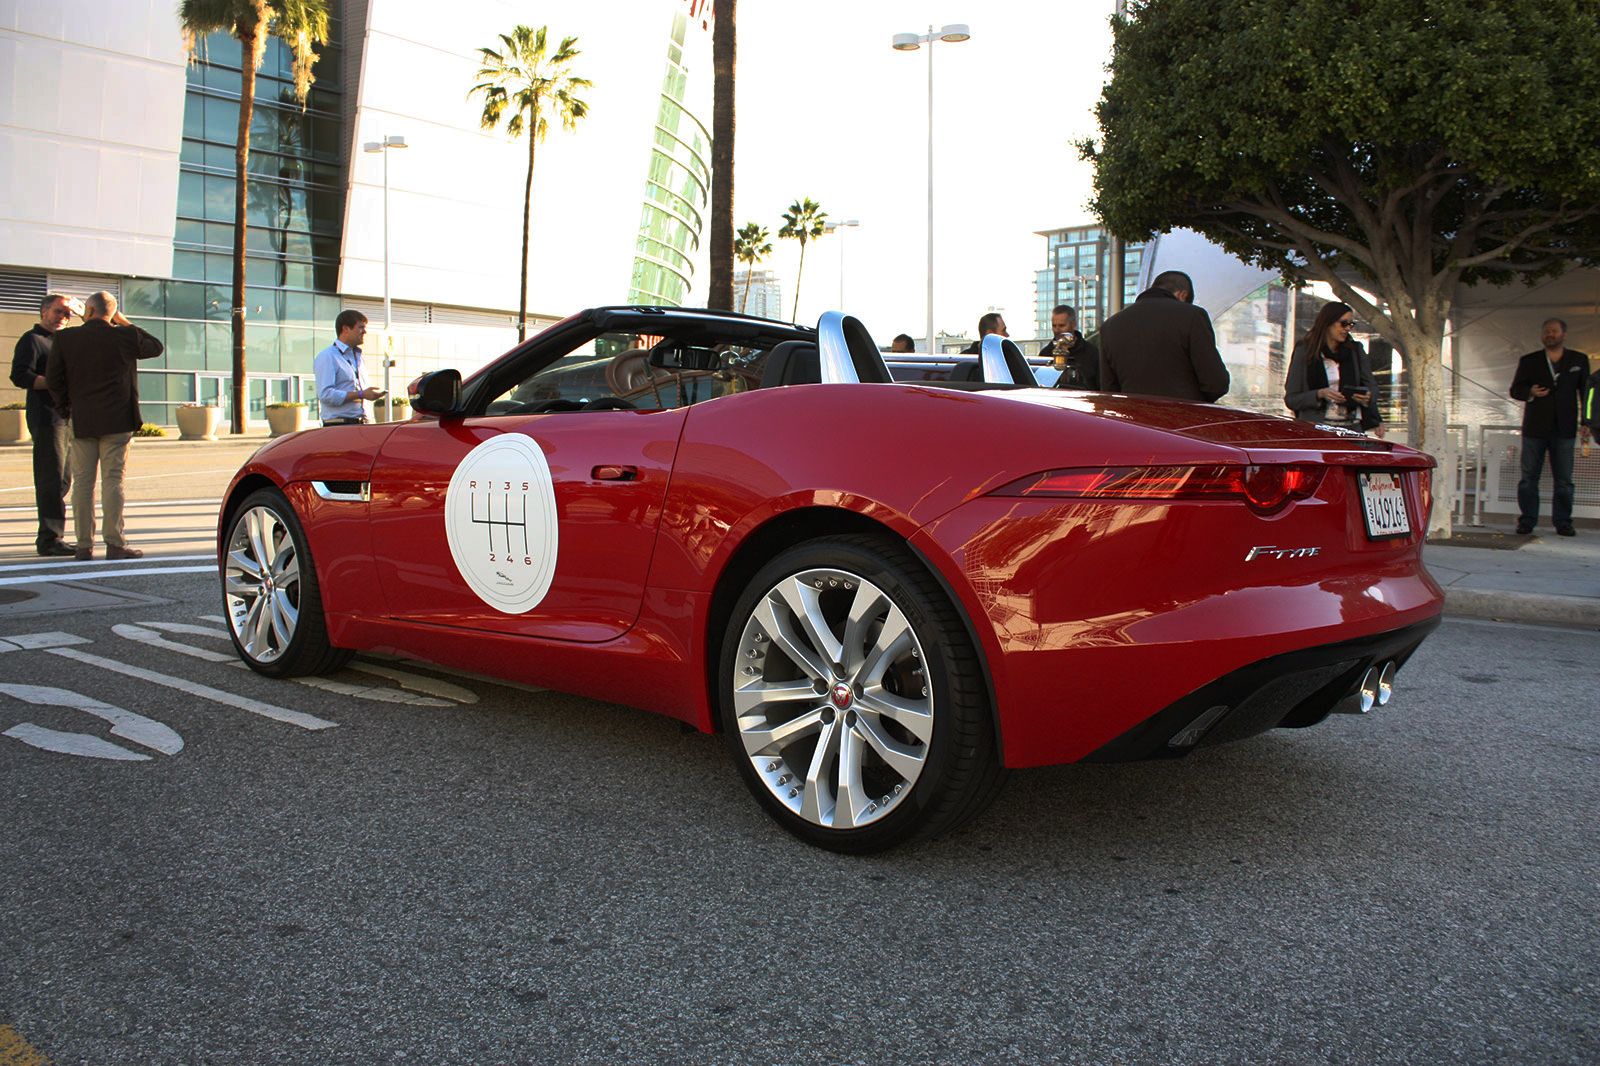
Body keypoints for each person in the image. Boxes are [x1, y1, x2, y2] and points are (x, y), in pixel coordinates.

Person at [45, 290, 163, 560]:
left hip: (83, 419)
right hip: (118, 421)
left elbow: (54, 380)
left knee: (83, 484)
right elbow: (156, 346)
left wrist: (67, 409)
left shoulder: (66, 339)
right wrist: (124, 321)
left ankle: (84, 545)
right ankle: (115, 543)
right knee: (113, 482)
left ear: (88, 311)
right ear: (112, 313)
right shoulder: (125, 336)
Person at [9, 294, 78, 556]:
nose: (65, 317)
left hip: (67, 418)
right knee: (50, 479)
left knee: (63, 480)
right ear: (44, 311)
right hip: (47, 417)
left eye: (68, 314)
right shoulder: (32, 339)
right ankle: (49, 539)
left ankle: (55, 535)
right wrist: (54, 382)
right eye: (60, 312)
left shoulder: (64, 341)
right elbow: (19, 375)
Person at [1509, 317, 1589, 536]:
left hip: (1564, 429)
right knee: (1528, 478)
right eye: (1546, 332)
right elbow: (1515, 389)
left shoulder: (1578, 360)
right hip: (1535, 428)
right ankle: (1527, 521)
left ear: (1563, 334)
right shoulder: (1530, 360)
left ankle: (1563, 522)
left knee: (1564, 480)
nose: (1549, 335)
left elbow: (1586, 393)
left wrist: (1587, 422)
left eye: (1554, 331)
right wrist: (1530, 393)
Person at [1098, 270, 1229, 401]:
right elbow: (1216, 383)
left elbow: (1109, 390)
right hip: (1183, 416)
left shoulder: (1110, 325)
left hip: (1131, 417)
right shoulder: (1192, 316)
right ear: (1182, 295)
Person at [1283, 301, 1382, 434]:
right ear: (1328, 323)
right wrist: (1320, 394)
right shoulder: (1305, 351)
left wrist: (1368, 396)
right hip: (1317, 430)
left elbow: (1372, 386)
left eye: (1351, 324)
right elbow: (1291, 399)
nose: (1347, 328)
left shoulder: (1355, 350)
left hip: (1351, 429)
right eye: (1343, 323)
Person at [314, 310, 383, 425]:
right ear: (345, 329)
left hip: (362, 424)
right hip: (339, 426)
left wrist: (367, 395)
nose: (364, 332)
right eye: (360, 327)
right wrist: (361, 394)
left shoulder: (359, 358)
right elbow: (326, 395)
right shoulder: (327, 356)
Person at [1046, 304, 1099, 390]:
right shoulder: (1046, 353)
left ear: (1073, 324)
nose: (1057, 330)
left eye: (1062, 325)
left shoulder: (1092, 353)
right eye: (1054, 326)